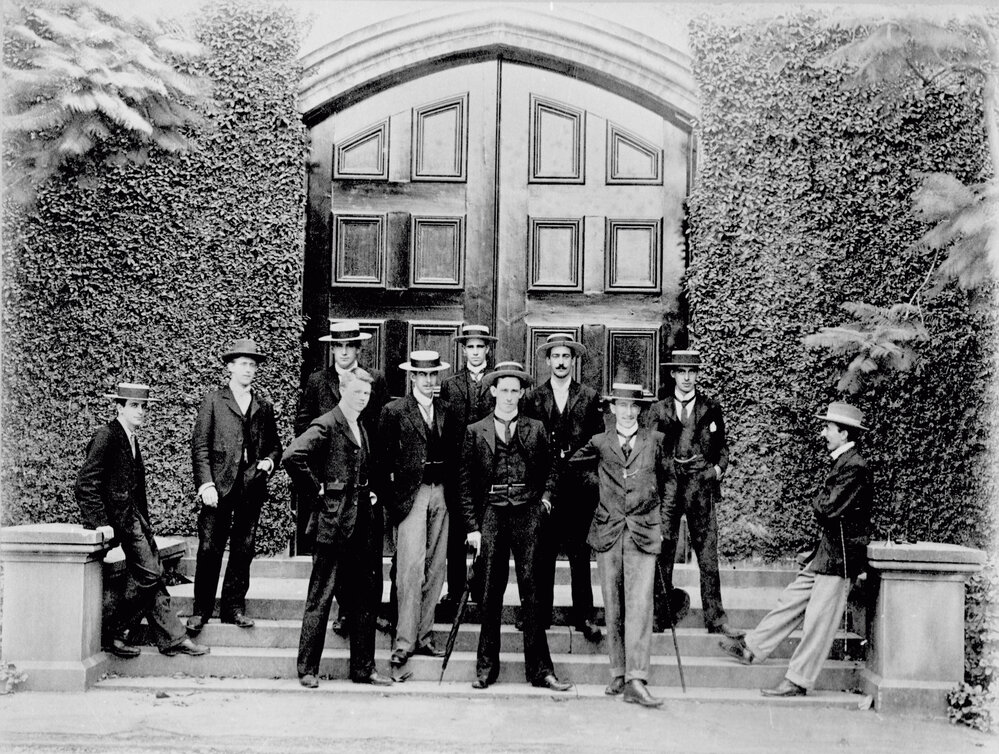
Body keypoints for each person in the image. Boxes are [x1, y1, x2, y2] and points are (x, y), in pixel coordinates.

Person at [719, 401, 873, 697]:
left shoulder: (855, 466)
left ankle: (798, 681)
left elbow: (826, 508)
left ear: (844, 433)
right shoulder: (844, 462)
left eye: (828, 427)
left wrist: (819, 501)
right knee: (791, 600)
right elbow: (828, 506)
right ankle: (752, 647)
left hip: (840, 557)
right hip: (827, 553)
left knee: (818, 621)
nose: (823, 433)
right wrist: (822, 501)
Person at [460, 361, 573, 692]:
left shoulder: (535, 428)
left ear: (522, 393)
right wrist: (473, 526)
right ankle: (486, 668)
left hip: (527, 513)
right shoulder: (475, 430)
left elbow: (554, 468)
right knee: (489, 592)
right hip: (492, 514)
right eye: (504, 390)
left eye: (515, 390)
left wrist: (546, 500)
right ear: (494, 391)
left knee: (532, 591)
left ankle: (541, 670)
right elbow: (464, 482)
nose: (509, 396)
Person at [75, 383, 208, 658]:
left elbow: (135, 491)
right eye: (134, 405)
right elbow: (85, 484)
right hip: (119, 523)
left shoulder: (131, 438)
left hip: (135, 521)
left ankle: (172, 638)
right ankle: (115, 631)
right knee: (150, 574)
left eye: (144, 406)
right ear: (119, 407)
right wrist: (100, 522)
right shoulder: (106, 435)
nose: (141, 411)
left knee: (153, 573)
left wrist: (146, 527)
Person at [283, 369, 393, 688]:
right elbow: (292, 456)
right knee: (321, 596)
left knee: (365, 596)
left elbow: (361, 466)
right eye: (357, 392)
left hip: (361, 525)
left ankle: (363, 668)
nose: (363, 398)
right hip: (331, 524)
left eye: (367, 394)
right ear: (342, 390)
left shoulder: (361, 425)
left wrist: (368, 491)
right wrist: (317, 490)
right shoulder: (327, 423)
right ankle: (307, 669)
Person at [568, 383, 670, 707]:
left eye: (633, 406)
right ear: (612, 408)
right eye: (621, 405)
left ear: (640, 409)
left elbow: (670, 482)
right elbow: (573, 466)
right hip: (609, 531)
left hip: (643, 530)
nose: (627, 411)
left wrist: (663, 522)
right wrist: (602, 489)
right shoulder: (600, 442)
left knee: (639, 606)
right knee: (613, 606)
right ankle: (618, 672)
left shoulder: (655, 441)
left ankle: (636, 679)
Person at [294, 319, 390, 633]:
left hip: (363, 486)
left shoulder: (374, 379)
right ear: (332, 349)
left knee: (367, 557)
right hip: (332, 486)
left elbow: (379, 433)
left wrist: (375, 483)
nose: (345, 352)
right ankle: (345, 611)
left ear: (359, 348)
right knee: (331, 556)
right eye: (339, 346)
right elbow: (303, 431)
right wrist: (319, 482)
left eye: (351, 346)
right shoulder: (317, 381)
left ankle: (368, 613)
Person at [187, 339, 283, 633]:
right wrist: (206, 484)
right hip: (218, 487)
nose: (249, 370)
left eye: (253, 365)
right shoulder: (214, 401)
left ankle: (233, 609)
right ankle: (201, 610)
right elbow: (200, 446)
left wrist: (268, 462)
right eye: (243, 364)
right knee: (209, 548)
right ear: (230, 367)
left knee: (244, 548)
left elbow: (275, 446)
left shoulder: (263, 406)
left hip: (250, 486)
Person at [643, 349, 741, 639]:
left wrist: (716, 471)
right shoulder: (658, 410)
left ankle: (716, 618)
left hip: (700, 489)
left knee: (708, 555)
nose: (687, 378)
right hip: (669, 490)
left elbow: (722, 449)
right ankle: (659, 615)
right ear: (673, 374)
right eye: (682, 372)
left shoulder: (710, 408)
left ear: (697, 375)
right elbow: (649, 452)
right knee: (663, 551)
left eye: (692, 372)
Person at [523, 333, 604, 641]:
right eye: (555, 356)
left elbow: (597, 440)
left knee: (579, 554)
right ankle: (540, 614)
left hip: (579, 487)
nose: (560, 362)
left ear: (573, 361)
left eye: (565, 357)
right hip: (546, 487)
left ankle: (585, 616)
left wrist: (573, 460)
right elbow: (527, 440)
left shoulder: (589, 396)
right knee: (542, 552)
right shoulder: (533, 398)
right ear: (547, 361)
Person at [378, 350, 453, 680]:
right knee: (410, 569)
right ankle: (404, 641)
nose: (428, 380)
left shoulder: (447, 410)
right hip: (412, 495)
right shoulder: (394, 411)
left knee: (436, 568)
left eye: (432, 374)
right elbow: (381, 462)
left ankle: (424, 636)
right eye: (422, 375)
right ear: (412, 377)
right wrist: (394, 503)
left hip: (441, 492)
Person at [438, 324, 496, 611]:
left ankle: (482, 590)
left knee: (485, 526)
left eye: (479, 347)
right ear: (463, 350)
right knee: (456, 531)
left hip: (487, 467)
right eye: (470, 347)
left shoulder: (496, 381)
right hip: (457, 467)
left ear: (488, 349)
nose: (475, 352)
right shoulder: (451, 384)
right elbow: (444, 428)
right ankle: (455, 590)